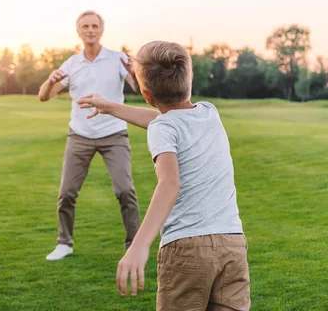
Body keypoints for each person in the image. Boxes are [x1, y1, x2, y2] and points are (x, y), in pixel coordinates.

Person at [77, 40, 250, 310]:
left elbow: (169, 183)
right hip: (233, 244)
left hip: (187, 248)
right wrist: (110, 106)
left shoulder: (163, 128)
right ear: (190, 77)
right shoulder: (209, 113)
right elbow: (163, 120)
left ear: (146, 94)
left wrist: (138, 245)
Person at [38, 10, 141, 261]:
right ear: (79, 31)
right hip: (80, 135)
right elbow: (43, 96)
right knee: (67, 193)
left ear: (102, 30)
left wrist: (136, 72)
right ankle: (64, 243)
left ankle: (134, 245)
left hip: (114, 133)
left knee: (125, 190)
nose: (90, 30)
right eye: (85, 26)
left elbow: (140, 88)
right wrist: (50, 81)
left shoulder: (118, 59)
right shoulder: (71, 64)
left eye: (95, 26)